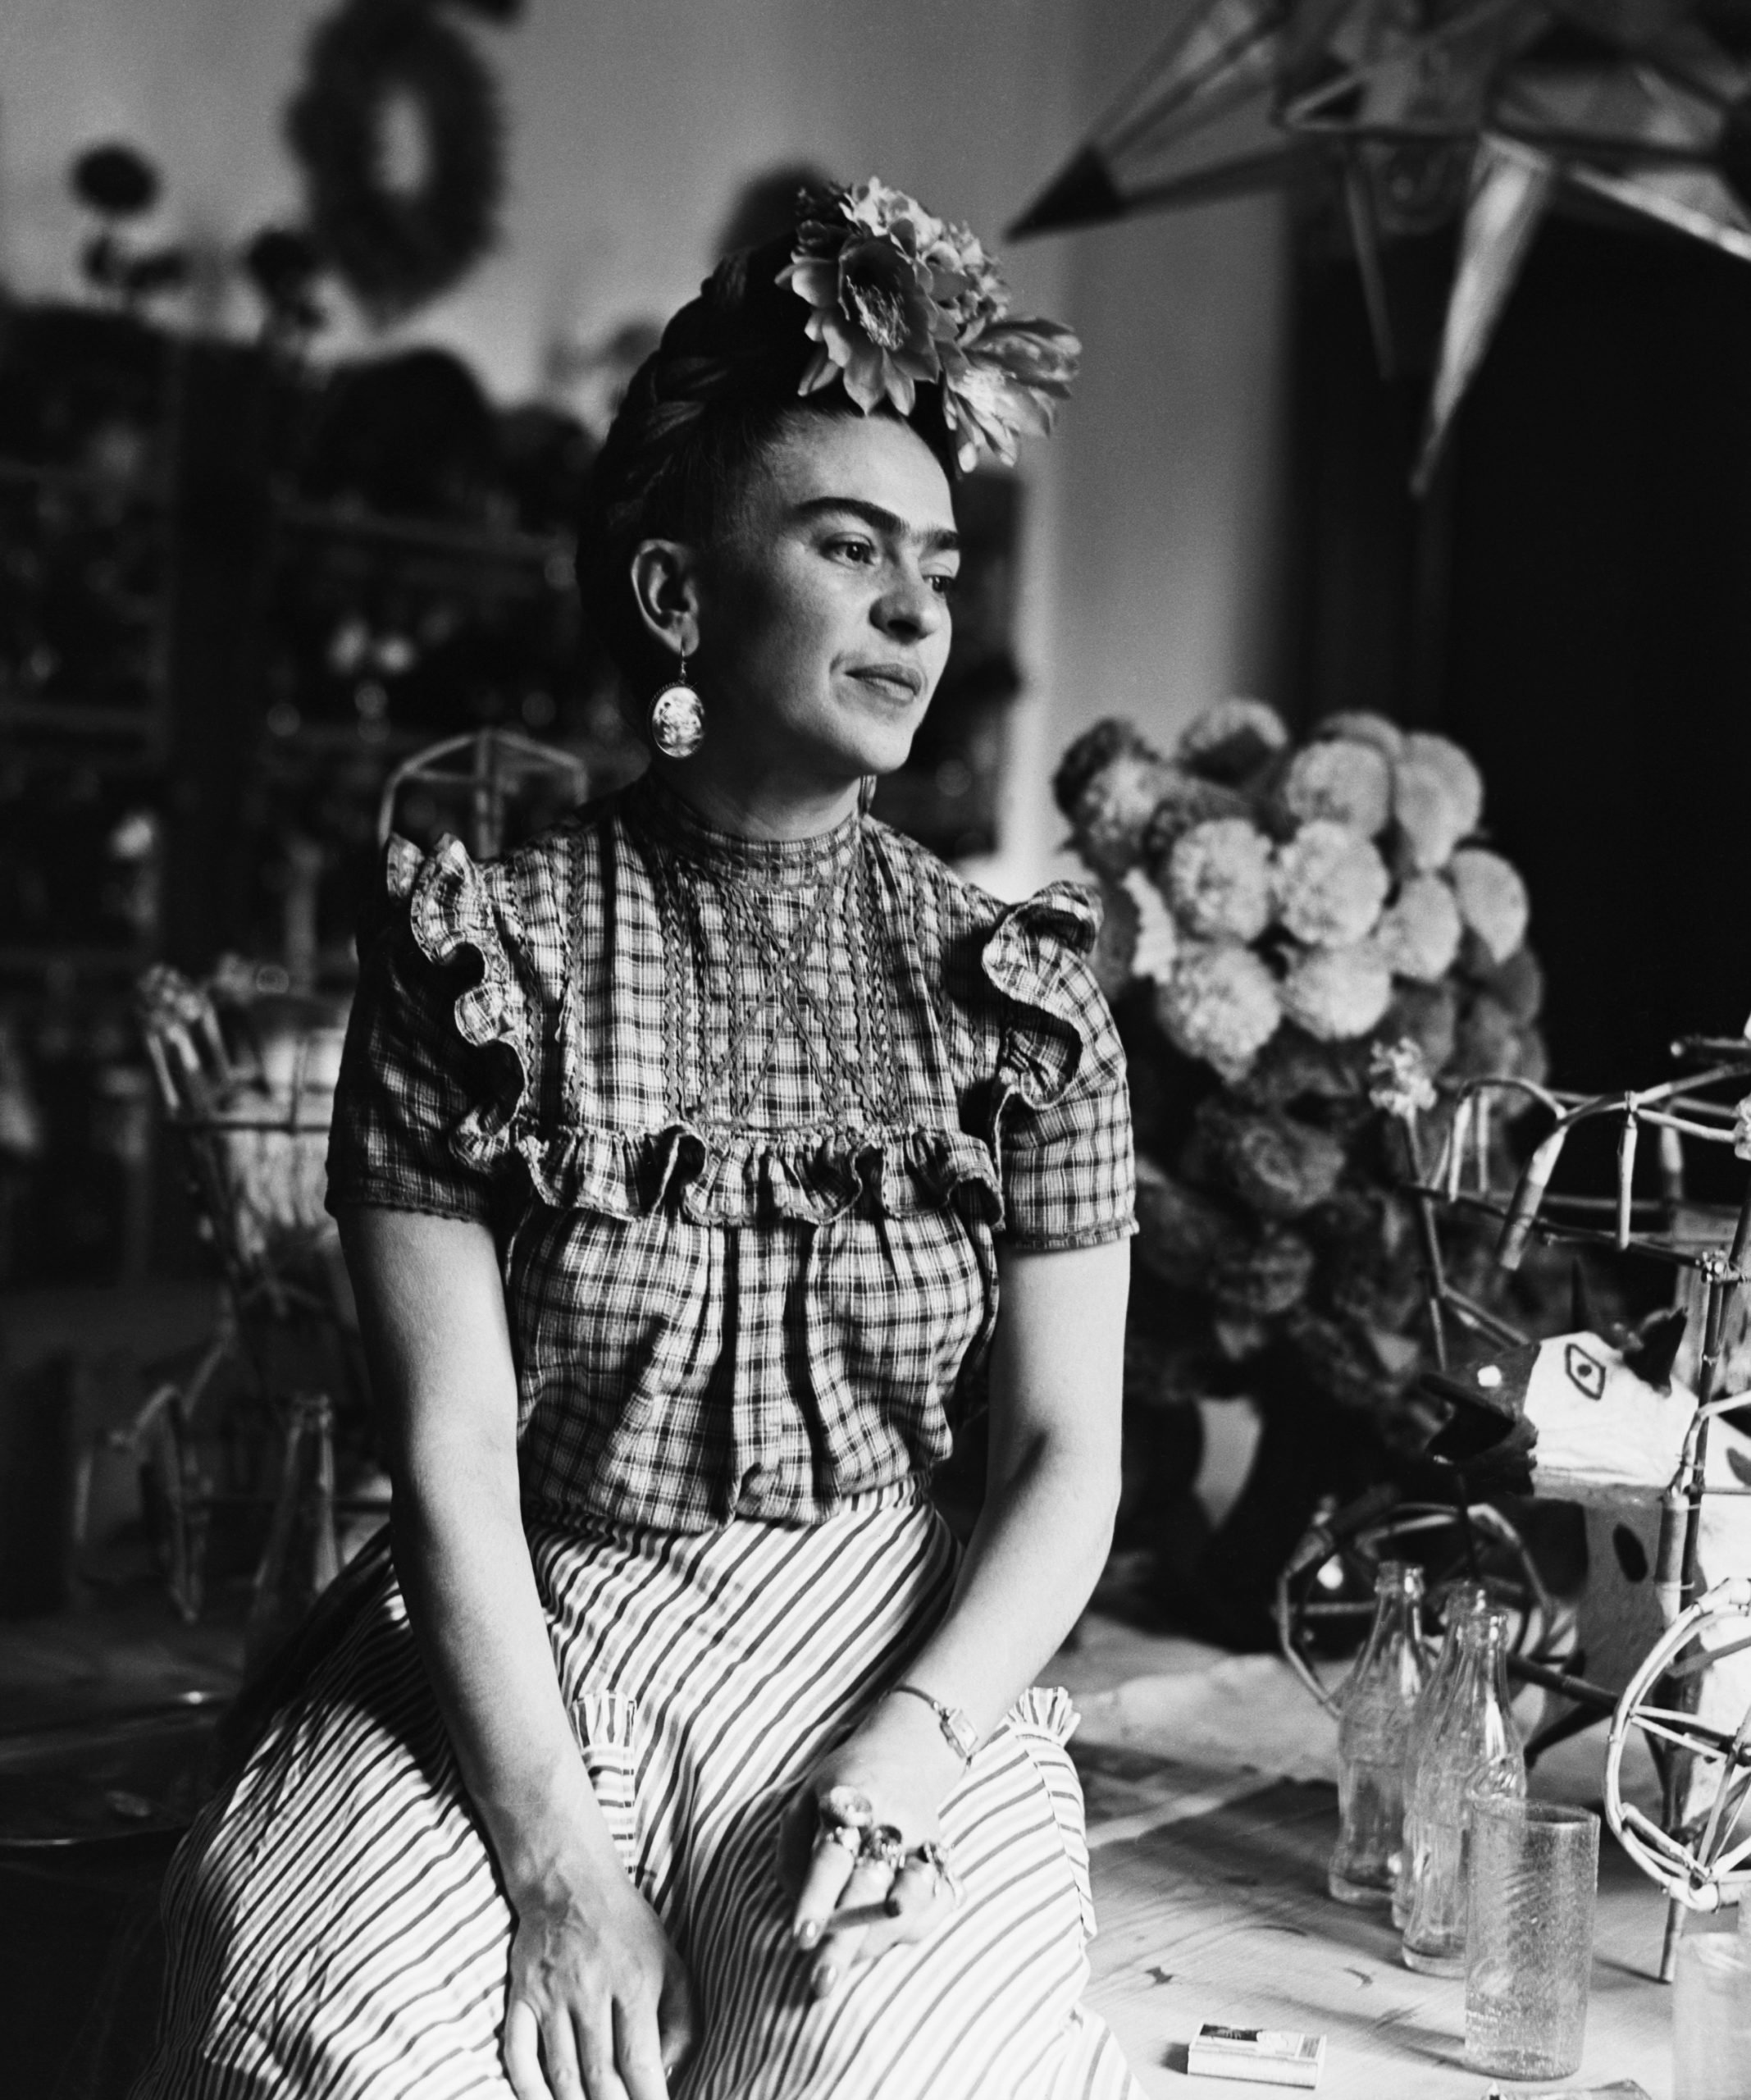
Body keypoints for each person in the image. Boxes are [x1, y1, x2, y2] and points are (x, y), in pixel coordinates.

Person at [138, 180, 1141, 2100]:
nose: (919, 607)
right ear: (679, 594)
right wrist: (550, 1857)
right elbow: (446, 1447)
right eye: (850, 549)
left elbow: (1068, 1450)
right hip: (531, 1613)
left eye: (935, 559)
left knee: (894, 2066)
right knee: (339, 2033)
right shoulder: (474, 955)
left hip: (891, 1635)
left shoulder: (1021, 994)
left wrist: (922, 1735)